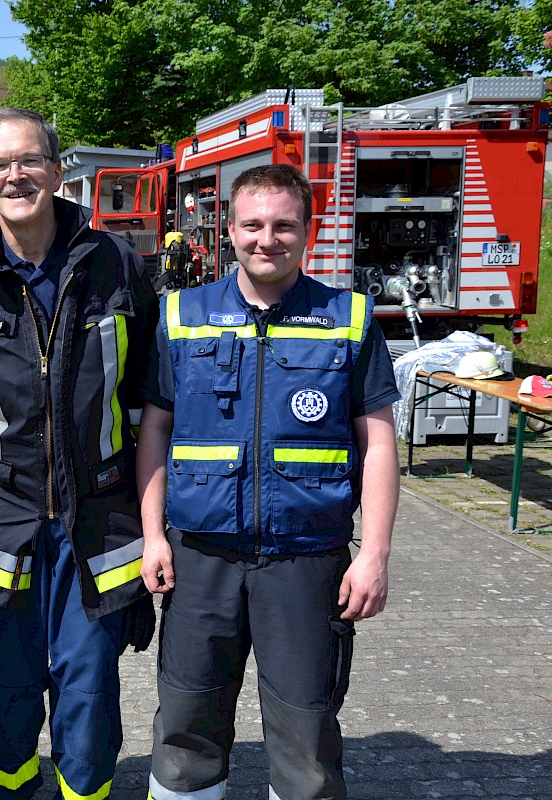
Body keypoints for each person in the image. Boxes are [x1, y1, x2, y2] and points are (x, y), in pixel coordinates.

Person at [0, 107, 159, 800]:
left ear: (56, 173)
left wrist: (155, 523)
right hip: (1, 531)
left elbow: (154, 398)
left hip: (99, 530)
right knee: (7, 705)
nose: (15, 175)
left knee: (88, 705)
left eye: (28, 161)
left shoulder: (115, 265)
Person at [137, 164, 401, 800]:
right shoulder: (180, 314)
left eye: (284, 225)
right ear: (228, 230)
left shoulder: (350, 318)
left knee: (306, 737)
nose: (268, 239)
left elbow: (380, 444)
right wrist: (153, 536)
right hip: (202, 557)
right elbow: (154, 435)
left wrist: (374, 555)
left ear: (308, 231)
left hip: (307, 560)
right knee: (185, 730)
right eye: (252, 224)